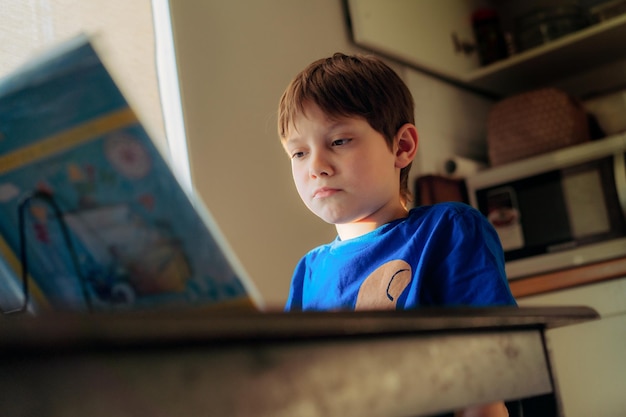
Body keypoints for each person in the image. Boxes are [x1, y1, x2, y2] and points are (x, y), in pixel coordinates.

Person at [277, 52, 516, 417]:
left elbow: (486, 380)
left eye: (339, 141)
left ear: (402, 147)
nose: (316, 167)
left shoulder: (447, 230)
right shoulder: (307, 273)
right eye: (298, 152)